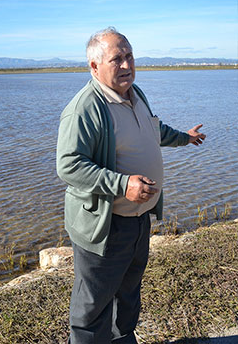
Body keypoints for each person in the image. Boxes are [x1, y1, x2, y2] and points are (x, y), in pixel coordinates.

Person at [56, 27, 206, 343]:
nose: (126, 65)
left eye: (129, 56)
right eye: (116, 59)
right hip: (104, 226)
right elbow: (69, 165)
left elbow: (153, 130)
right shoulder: (85, 108)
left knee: (128, 297)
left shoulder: (135, 94)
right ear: (94, 67)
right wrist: (123, 185)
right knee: (92, 309)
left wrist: (184, 138)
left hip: (138, 221)